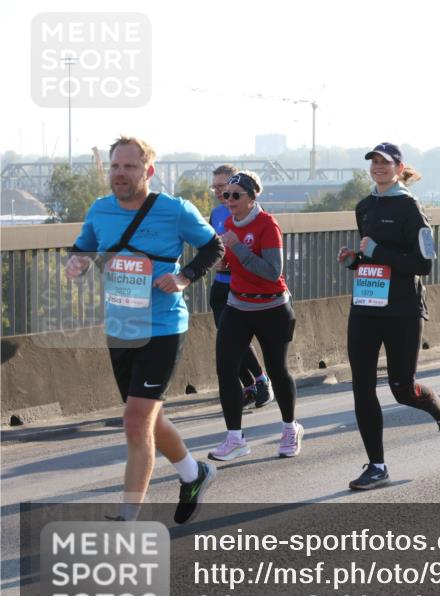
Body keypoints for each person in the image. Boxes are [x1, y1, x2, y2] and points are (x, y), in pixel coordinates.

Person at [65, 136, 224, 523]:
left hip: (162, 327)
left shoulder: (174, 210)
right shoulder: (100, 210)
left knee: (136, 421)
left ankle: (127, 518)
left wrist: (184, 277)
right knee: (148, 417)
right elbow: (83, 248)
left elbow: (214, 247)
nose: (120, 173)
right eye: (115, 166)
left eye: (129, 166)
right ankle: (194, 473)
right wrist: (76, 263)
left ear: (148, 171)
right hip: (121, 326)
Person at [339, 143, 440, 491]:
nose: (378, 167)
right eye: (374, 162)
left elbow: (423, 264)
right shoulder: (364, 206)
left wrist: (378, 251)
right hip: (366, 306)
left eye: (385, 162)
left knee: (402, 389)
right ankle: (377, 466)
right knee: (361, 387)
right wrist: (355, 261)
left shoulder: (410, 207)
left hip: (403, 309)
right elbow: (372, 259)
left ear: (398, 167)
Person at [208, 171, 304, 462]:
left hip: (272, 307)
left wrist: (237, 247)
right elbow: (235, 262)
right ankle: (235, 438)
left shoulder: (267, 224)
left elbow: (272, 271)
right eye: (226, 194)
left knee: (277, 370)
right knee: (226, 368)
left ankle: (290, 428)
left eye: (235, 195)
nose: (229, 200)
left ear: (251, 197)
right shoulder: (228, 224)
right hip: (238, 305)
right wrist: (224, 262)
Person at [207, 164, 273, 409]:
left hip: (243, 287)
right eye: (215, 187)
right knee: (227, 341)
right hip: (220, 286)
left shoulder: (254, 215)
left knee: (237, 339)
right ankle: (250, 387)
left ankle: (261, 380)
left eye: (223, 187)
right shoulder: (216, 214)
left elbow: (261, 255)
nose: (219, 192)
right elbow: (212, 247)